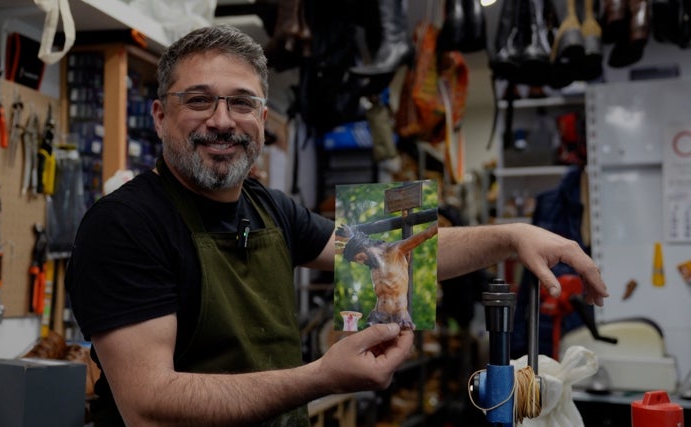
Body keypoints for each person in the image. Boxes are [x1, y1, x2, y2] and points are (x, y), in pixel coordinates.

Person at [65, 24, 609, 427]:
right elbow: (149, 406)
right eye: (200, 101)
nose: (223, 120)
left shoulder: (268, 206)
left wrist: (512, 235)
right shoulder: (125, 226)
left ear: (262, 120)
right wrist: (322, 377)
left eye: (242, 103)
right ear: (160, 116)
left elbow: (398, 249)